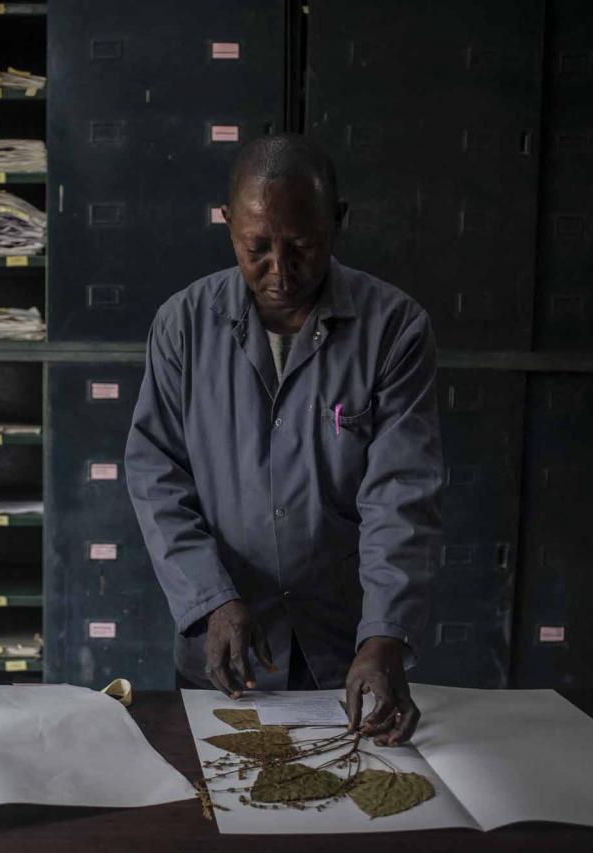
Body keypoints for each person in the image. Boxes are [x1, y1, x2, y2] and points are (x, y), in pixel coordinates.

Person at [125, 133, 443, 745]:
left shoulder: (395, 329)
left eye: (302, 247)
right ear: (226, 224)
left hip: (345, 644)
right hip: (226, 640)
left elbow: (402, 493)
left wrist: (383, 635)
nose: (279, 272)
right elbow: (156, 475)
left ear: (339, 223)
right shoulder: (182, 325)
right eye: (257, 249)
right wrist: (212, 601)